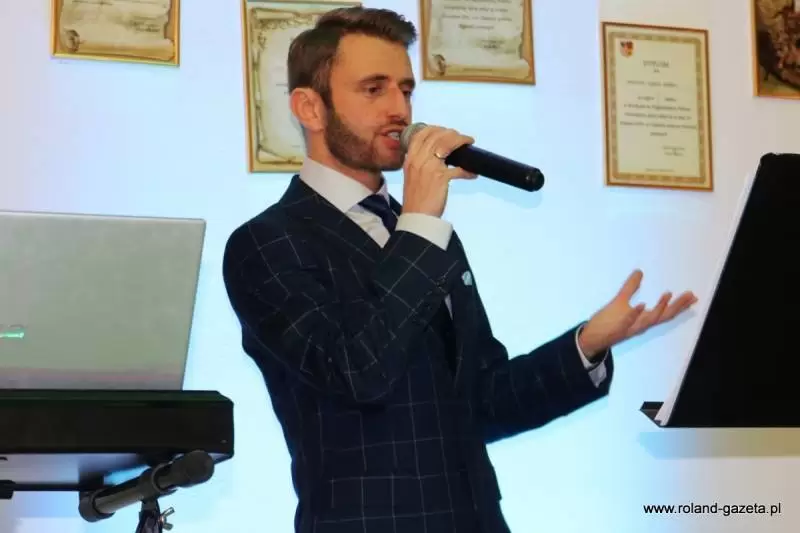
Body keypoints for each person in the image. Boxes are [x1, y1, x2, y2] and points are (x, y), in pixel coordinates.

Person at [222, 7, 697, 533]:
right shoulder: (267, 243)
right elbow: (359, 372)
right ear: (310, 107)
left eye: (406, 90)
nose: (399, 109)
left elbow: (482, 401)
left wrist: (586, 345)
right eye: (374, 89)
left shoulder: (426, 236)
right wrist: (420, 221)